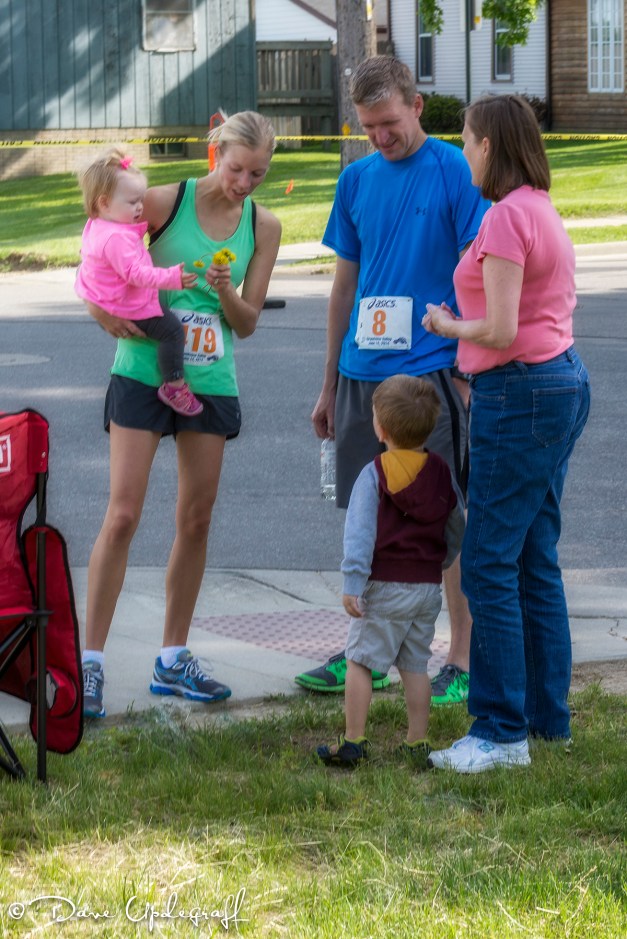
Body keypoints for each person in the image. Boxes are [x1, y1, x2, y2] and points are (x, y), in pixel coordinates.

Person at [295, 55, 490, 705]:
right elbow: (344, 284)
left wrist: (465, 364)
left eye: (388, 122)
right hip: (360, 373)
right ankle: (369, 654)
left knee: (443, 519)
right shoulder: (354, 181)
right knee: (369, 521)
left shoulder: (455, 170)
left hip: (430, 372)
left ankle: (459, 659)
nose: (379, 136)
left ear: (415, 105)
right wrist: (327, 382)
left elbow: (476, 270)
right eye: (367, 126)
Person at [81, 111, 282, 718]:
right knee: (122, 514)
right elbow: (100, 248)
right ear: (213, 151)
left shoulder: (263, 225)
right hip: (143, 372)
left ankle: (172, 660)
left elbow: (247, 324)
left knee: (196, 518)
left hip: (211, 379)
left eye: (259, 173)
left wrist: (224, 290)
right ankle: (89, 662)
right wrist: (99, 313)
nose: (245, 182)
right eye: (237, 167)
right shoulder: (163, 202)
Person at [422, 94, 591, 773]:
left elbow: (494, 329)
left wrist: (443, 326)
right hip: (558, 381)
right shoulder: (540, 209)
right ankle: (547, 720)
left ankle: (497, 731)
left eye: (465, 140)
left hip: (518, 392)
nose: (462, 151)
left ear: (489, 145)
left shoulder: (502, 219)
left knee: (489, 559)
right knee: (532, 557)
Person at [317, 375, 465, 768]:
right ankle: (417, 742)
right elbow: (456, 523)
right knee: (416, 665)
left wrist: (352, 582)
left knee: (360, 661)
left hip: (383, 585)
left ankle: (354, 740)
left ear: (379, 427)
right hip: (426, 587)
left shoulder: (375, 474)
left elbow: (361, 533)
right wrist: (444, 559)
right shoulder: (440, 472)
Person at [75, 148, 203, 417]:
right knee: (172, 332)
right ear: (104, 203)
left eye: (140, 200)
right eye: (132, 202)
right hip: (125, 305)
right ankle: (174, 386)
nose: (140, 207)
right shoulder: (117, 239)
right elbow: (136, 274)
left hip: (106, 297)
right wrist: (172, 277)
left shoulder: (97, 225)